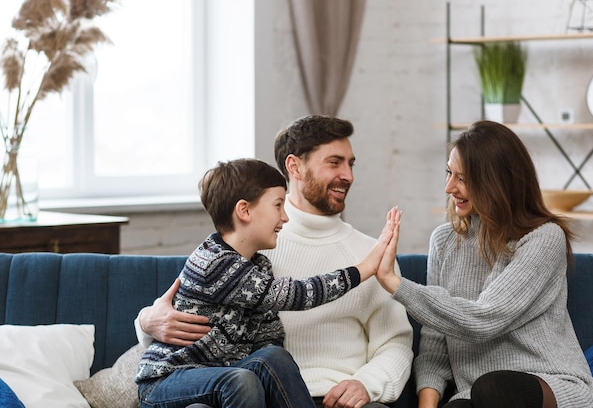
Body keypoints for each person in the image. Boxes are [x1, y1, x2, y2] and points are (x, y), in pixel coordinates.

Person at [135, 115, 414, 408]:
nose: (348, 175)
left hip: (333, 397)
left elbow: (395, 343)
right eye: (334, 162)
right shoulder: (249, 245)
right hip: (249, 391)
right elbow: (180, 307)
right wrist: (145, 321)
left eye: (350, 164)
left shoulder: (369, 251)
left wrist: (367, 384)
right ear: (295, 166)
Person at [375, 120, 593, 408]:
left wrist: (394, 282)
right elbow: (435, 339)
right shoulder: (445, 240)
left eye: (463, 178)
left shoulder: (543, 238)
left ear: (497, 181)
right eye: (449, 173)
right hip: (477, 395)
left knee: (494, 388)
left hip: (550, 386)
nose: (449, 188)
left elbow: (485, 319)